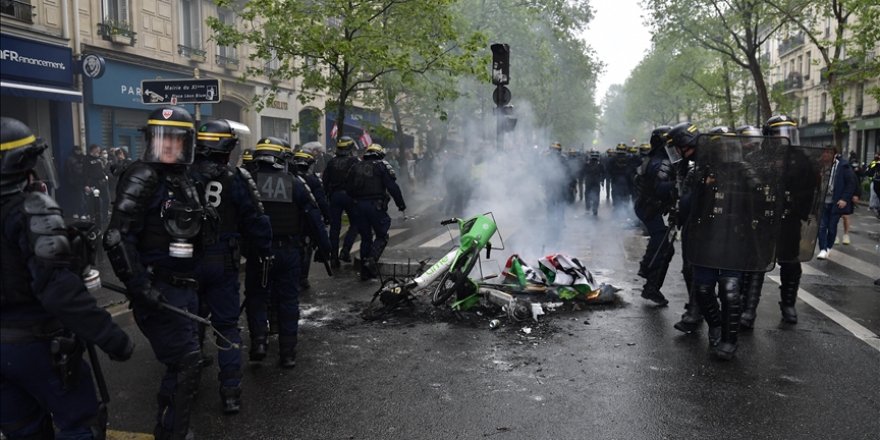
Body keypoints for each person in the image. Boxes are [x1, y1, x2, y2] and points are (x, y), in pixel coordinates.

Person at [1, 117, 134, 439]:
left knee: (23, 430)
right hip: (36, 342)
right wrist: (111, 337)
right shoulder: (31, 209)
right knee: (80, 425)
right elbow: (59, 290)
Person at [103, 106, 205, 439]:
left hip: (185, 285)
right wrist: (140, 285)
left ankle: (168, 423)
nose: (168, 146)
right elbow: (117, 237)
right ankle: (174, 432)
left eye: (175, 139)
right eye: (161, 139)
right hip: (160, 286)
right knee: (187, 360)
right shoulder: (143, 175)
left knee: (183, 362)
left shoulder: (181, 178)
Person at [189, 119, 272, 414]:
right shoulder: (237, 177)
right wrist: (263, 252)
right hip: (223, 261)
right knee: (226, 328)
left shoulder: (183, 175)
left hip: (187, 263)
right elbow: (256, 221)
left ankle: (190, 381)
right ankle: (231, 391)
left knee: (191, 323)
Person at [244, 136, 330, 369]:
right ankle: (288, 352)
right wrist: (326, 247)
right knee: (288, 302)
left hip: (258, 252)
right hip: (288, 251)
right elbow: (314, 217)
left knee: (257, 298)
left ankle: (259, 342)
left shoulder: (246, 181)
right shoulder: (295, 183)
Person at [347, 144, 406, 281]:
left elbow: (348, 188)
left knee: (365, 238)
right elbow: (392, 186)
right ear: (379, 154)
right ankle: (371, 261)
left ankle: (364, 272)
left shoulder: (356, 166)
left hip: (358, 206)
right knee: (381, 235)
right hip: (375, 207)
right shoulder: (382, 165)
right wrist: (401, 205)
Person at [633, 125, 674, 306]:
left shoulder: (652, 158)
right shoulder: (662, 162)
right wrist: (680, 187)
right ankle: (651, 286)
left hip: (647, 206)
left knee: (662, 244)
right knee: (663, 247)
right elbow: (661, 187)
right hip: (651, 207)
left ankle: (647, 271)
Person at [291, 148, 330, 290]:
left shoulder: (289, 179)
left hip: (292, 221)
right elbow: (321, 201)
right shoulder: (313, 181)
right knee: (306, 248)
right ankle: (302, 278)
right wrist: (327, 217)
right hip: (307, 221)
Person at [322, 136, 360, 268]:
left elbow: (325, 182)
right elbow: (359, 181)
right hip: (350, 196)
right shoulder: (354, 161)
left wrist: (327, 197)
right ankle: (345, 251)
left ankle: (333, 257)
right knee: (356, 224)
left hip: (335, 196)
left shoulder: (331, 162)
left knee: (335, 227)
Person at [816, 149, 857, 260]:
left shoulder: (843, 167)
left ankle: (829, 247)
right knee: (821, 226)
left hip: (836, 202)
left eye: (828, 153)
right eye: (824, 153)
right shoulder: (820, 166)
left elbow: (851, 183)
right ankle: (823, 249)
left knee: (832, 227)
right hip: (822, 201)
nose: (825, 155)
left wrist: (844, 198)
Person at [583, 150, 604, 216]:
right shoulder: (600, 164)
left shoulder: (587, 164)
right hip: (595, 181)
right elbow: (603, 173)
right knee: (596, 195)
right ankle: (594, 209)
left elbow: (583, 172)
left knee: (588, 194)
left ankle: (588, 208)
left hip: (589, 181)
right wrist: (602, 180)